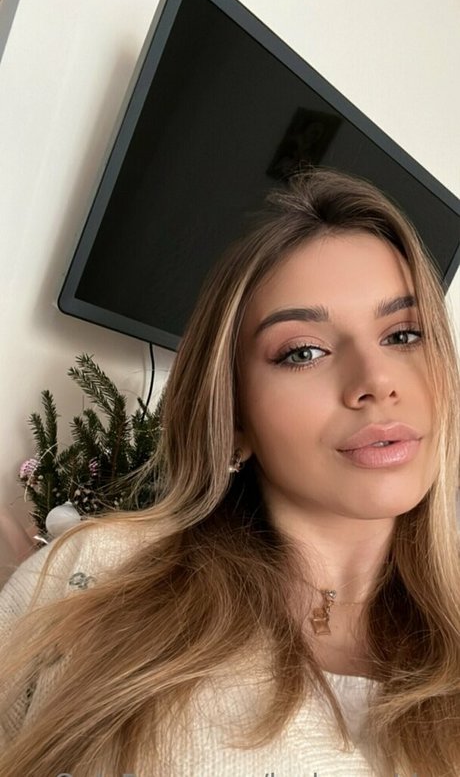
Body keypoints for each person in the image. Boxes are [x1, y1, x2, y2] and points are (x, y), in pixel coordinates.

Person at [0, 169, 459, 777]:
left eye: (403, 334)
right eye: (304, 351)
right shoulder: (97, 574)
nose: (376, 382)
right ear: (235, 415)